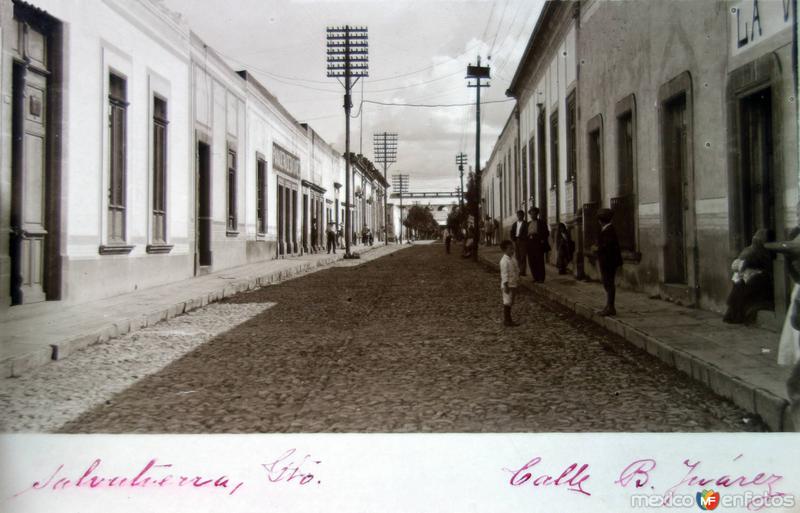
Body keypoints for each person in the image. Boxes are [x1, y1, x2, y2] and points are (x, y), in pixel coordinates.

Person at [723, 228, 773, 324]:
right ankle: (734, 315)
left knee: (740, 291)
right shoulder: (754, 251)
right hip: (748, 280)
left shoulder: (751, 250)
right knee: (740, 290)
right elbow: (740, 266)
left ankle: (733, 316)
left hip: (749, 281)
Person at [594, 208, 623, 316]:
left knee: (609, 284)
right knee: (607, 283)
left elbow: (607, 246)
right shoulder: (607, 229)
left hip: (609, 261)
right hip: (607, 261)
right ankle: (609, 306)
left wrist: (597, 248)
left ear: (601, 220)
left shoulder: (609, 230)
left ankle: (610, 307)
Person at [500, 240, 520, 327]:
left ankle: (509, 318)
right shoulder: (504, 261)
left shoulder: (512, 259)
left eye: (513, 249)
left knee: (511, 301)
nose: (512, 251)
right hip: (507, 285)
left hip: (513, 283)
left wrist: (518, 279)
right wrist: (505, 285)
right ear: (504, 250)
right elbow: (504, 274)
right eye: (510, 249)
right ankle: (507, 320)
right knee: (507, 302)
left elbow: (516, 269)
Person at [526, 207, 550, 283]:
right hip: (530, 243)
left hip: (538, 243)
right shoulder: (528, 223)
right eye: (531, 213)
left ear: (537, 214)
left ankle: (541, 278)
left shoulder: (541, 223)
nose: (533, 215)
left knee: (539, 261)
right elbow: (524, 234)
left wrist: (541, 239)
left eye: (534, 213)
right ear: (530, 214)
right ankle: (535, 277)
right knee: (531, 261)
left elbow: (546, 233)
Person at [509, 210, 529, 277]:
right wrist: (513, 239)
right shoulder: (515, 224)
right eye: (518, 215)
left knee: (523, 255)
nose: (519, 216)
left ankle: (523, 271)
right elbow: (512, 232)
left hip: (523, 241)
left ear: (523, 216)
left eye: (521, 215)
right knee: (517, 256)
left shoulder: (526, 224)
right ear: (517, 216)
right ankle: (519, 269)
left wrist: (524, 238)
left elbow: (527, 233)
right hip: (516, 241)